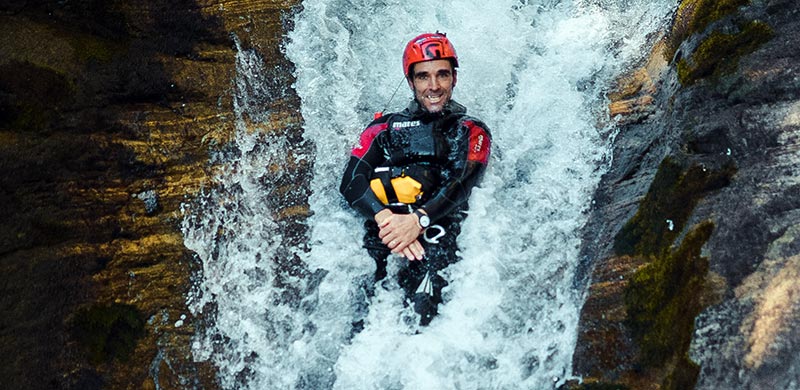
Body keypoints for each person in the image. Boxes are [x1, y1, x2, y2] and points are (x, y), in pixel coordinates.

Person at [339, 32, 491, 326]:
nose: (433, 86)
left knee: (423, 321)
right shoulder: (383, 128)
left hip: (437, 236)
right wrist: (390, 223)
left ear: (454, 78)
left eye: (442, 75)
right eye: (423, 77)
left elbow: (462, 183)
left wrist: (417, 221)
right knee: (361, 328)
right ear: (411, 82)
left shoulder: (471, 129)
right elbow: (351, 183)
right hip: (385, 236)